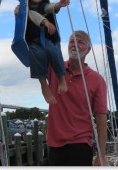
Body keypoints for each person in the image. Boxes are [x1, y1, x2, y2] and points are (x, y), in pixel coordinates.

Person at [46, 30, 108, 166]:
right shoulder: (54, 69)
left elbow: (101, 117)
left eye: (80, 42)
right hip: (55, 145)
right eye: (72, 41)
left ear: (89, 49)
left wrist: (101, 154)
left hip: (80, 144)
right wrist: (22, 17)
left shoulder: (97, 80)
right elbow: (32, 55)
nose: (75, 45)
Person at [14, 0, 69, 105]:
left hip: (45, 39)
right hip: (32, 41)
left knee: (54, 51)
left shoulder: (42, 5)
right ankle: (44, 85)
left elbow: (49, 7)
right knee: (37, 55)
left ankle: (61, 78)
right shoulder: (23, 8)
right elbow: (31, 14)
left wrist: (58, 5)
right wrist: (45, 22)